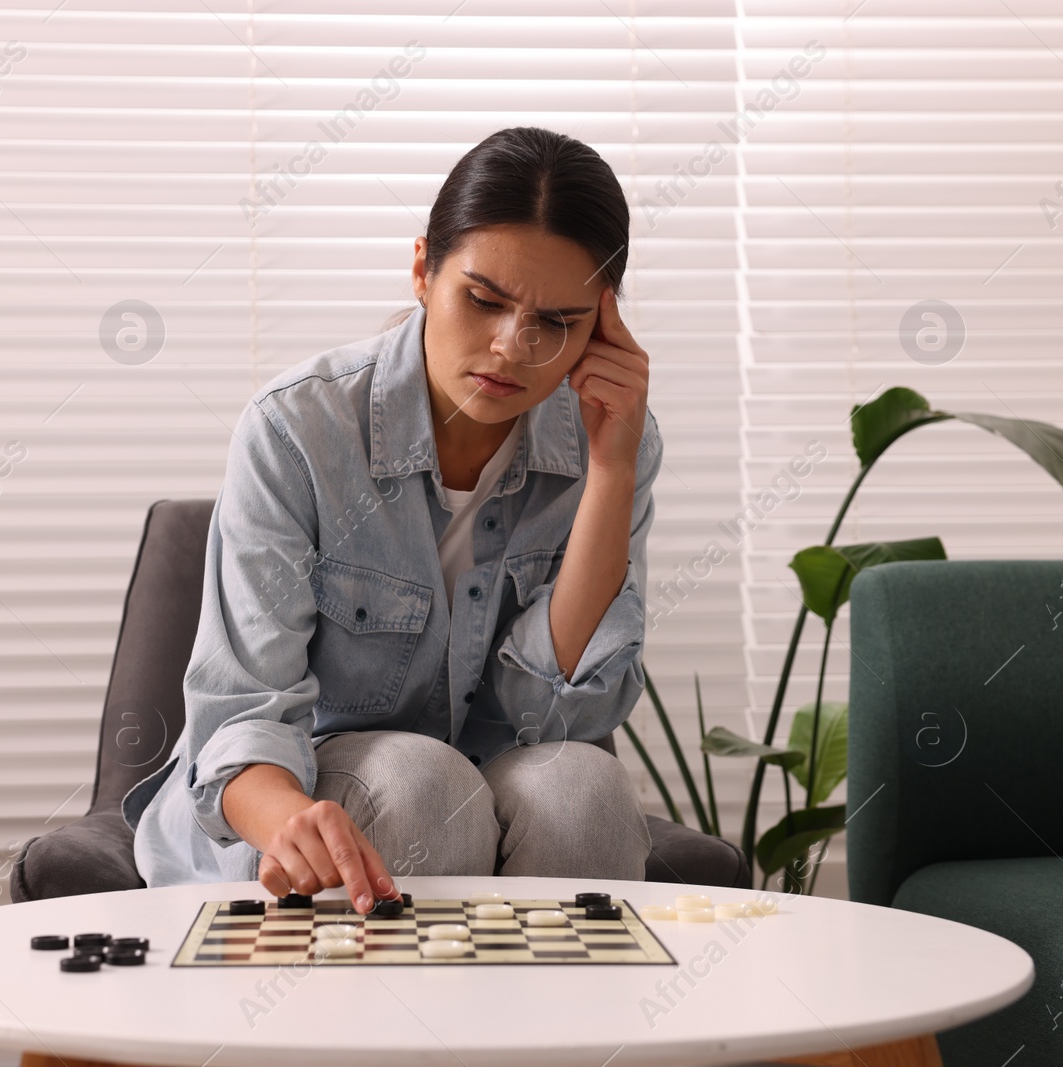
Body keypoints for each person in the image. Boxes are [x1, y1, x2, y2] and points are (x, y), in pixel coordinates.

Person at [123, 126, 661, 914]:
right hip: (305, 790)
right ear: (422, 270)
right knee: (422, 783)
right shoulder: (295, 430)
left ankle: (555, 1038)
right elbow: (244, 715)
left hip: (486, 776)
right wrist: (292, 823)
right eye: (484, 301)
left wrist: (612, 470)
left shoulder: (607, 438)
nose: (513, 347)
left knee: (586, 788)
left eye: (557, 321)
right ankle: (381, 1039)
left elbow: (558, 715)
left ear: (598, 326)